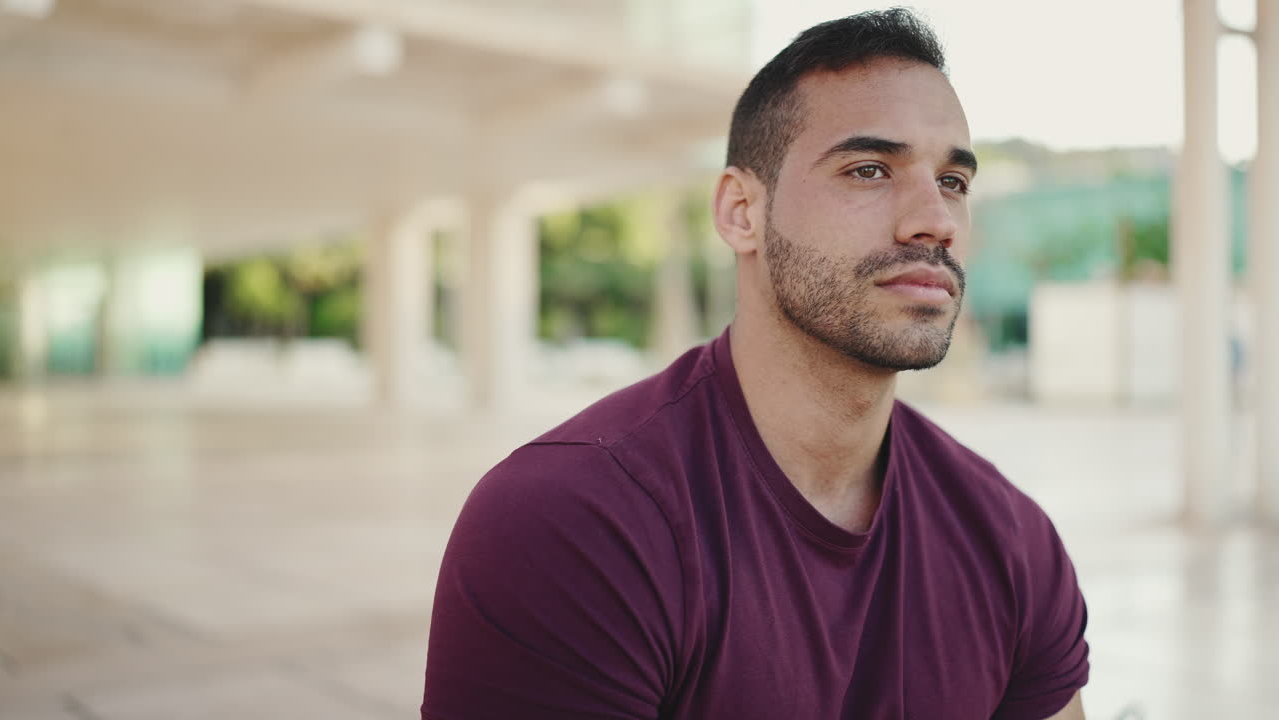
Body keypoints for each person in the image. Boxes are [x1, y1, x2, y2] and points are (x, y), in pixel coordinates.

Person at [421, 9, 1089, 720]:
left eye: (953, 181)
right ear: (741, 210)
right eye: (868, 170)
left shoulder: (1010, 540)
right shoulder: (571, 523)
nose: (936, 220)